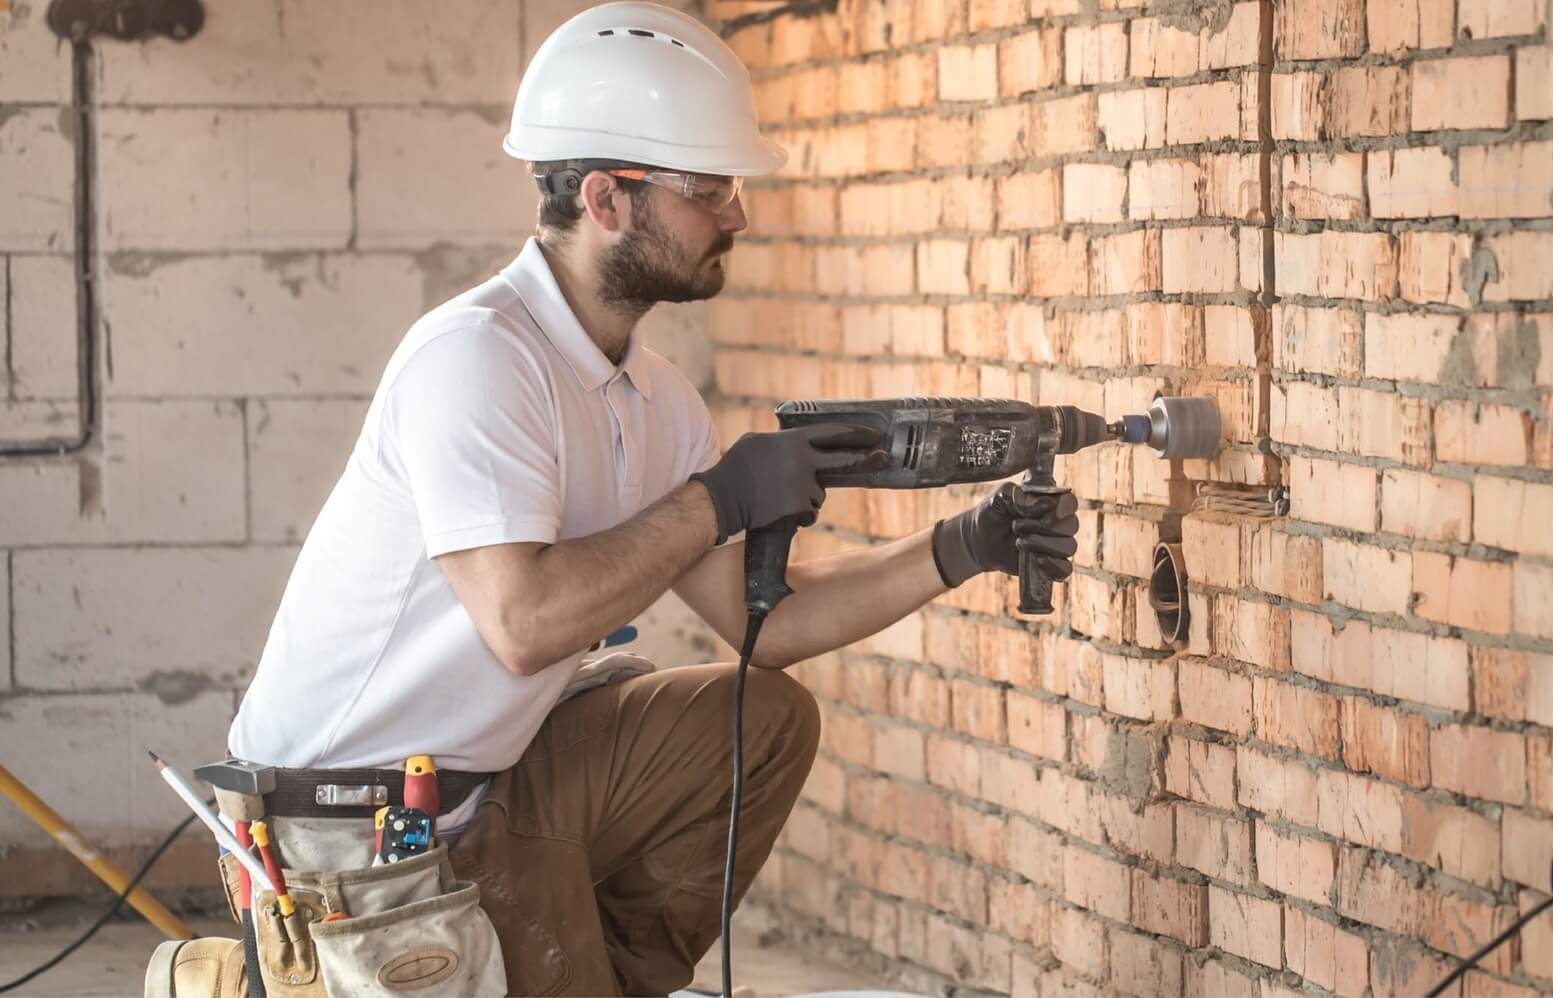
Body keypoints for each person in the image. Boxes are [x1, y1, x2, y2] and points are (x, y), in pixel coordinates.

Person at [223, 3, 1078, 993]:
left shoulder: (659, 398)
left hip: (498, 773)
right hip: (340, 821)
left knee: (763, 717)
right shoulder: (477, 360)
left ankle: (601, 975)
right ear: (606, 198)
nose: (737, 215)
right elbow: (525, 623)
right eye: (709, 187)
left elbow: (772, 623)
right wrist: (716, 502)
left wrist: (961, 545)